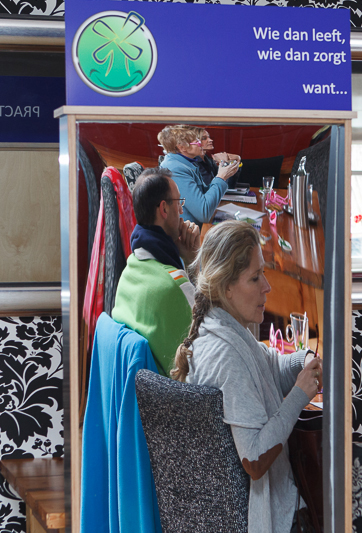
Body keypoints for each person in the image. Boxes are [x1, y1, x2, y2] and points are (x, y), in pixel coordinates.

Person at [171, 220, 321, 533]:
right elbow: (254, 459)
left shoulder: (224, 326)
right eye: (255, 278)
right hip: (273, 519)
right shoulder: (225, 355)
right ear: (226, 286)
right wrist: (299, 396)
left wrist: (303, 359)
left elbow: (270, 367)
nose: (267, 286)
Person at [112, 167, 199, 376]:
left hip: (141, 398)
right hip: (176, 400)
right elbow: (209, 346)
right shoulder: (175, 284)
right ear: (164, 209)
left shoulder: (129, 269)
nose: (181, 212)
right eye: (179, 203)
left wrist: (182, 262)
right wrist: (194, 259)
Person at [158, 125, 238, 225]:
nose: (201, 144)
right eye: (197, 142)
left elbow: (204, 195)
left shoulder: (186, 163)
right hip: (185, 235)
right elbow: (203, 213)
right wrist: (220, 177)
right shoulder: (176, 169)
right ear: (182, 147)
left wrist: (223, 176)